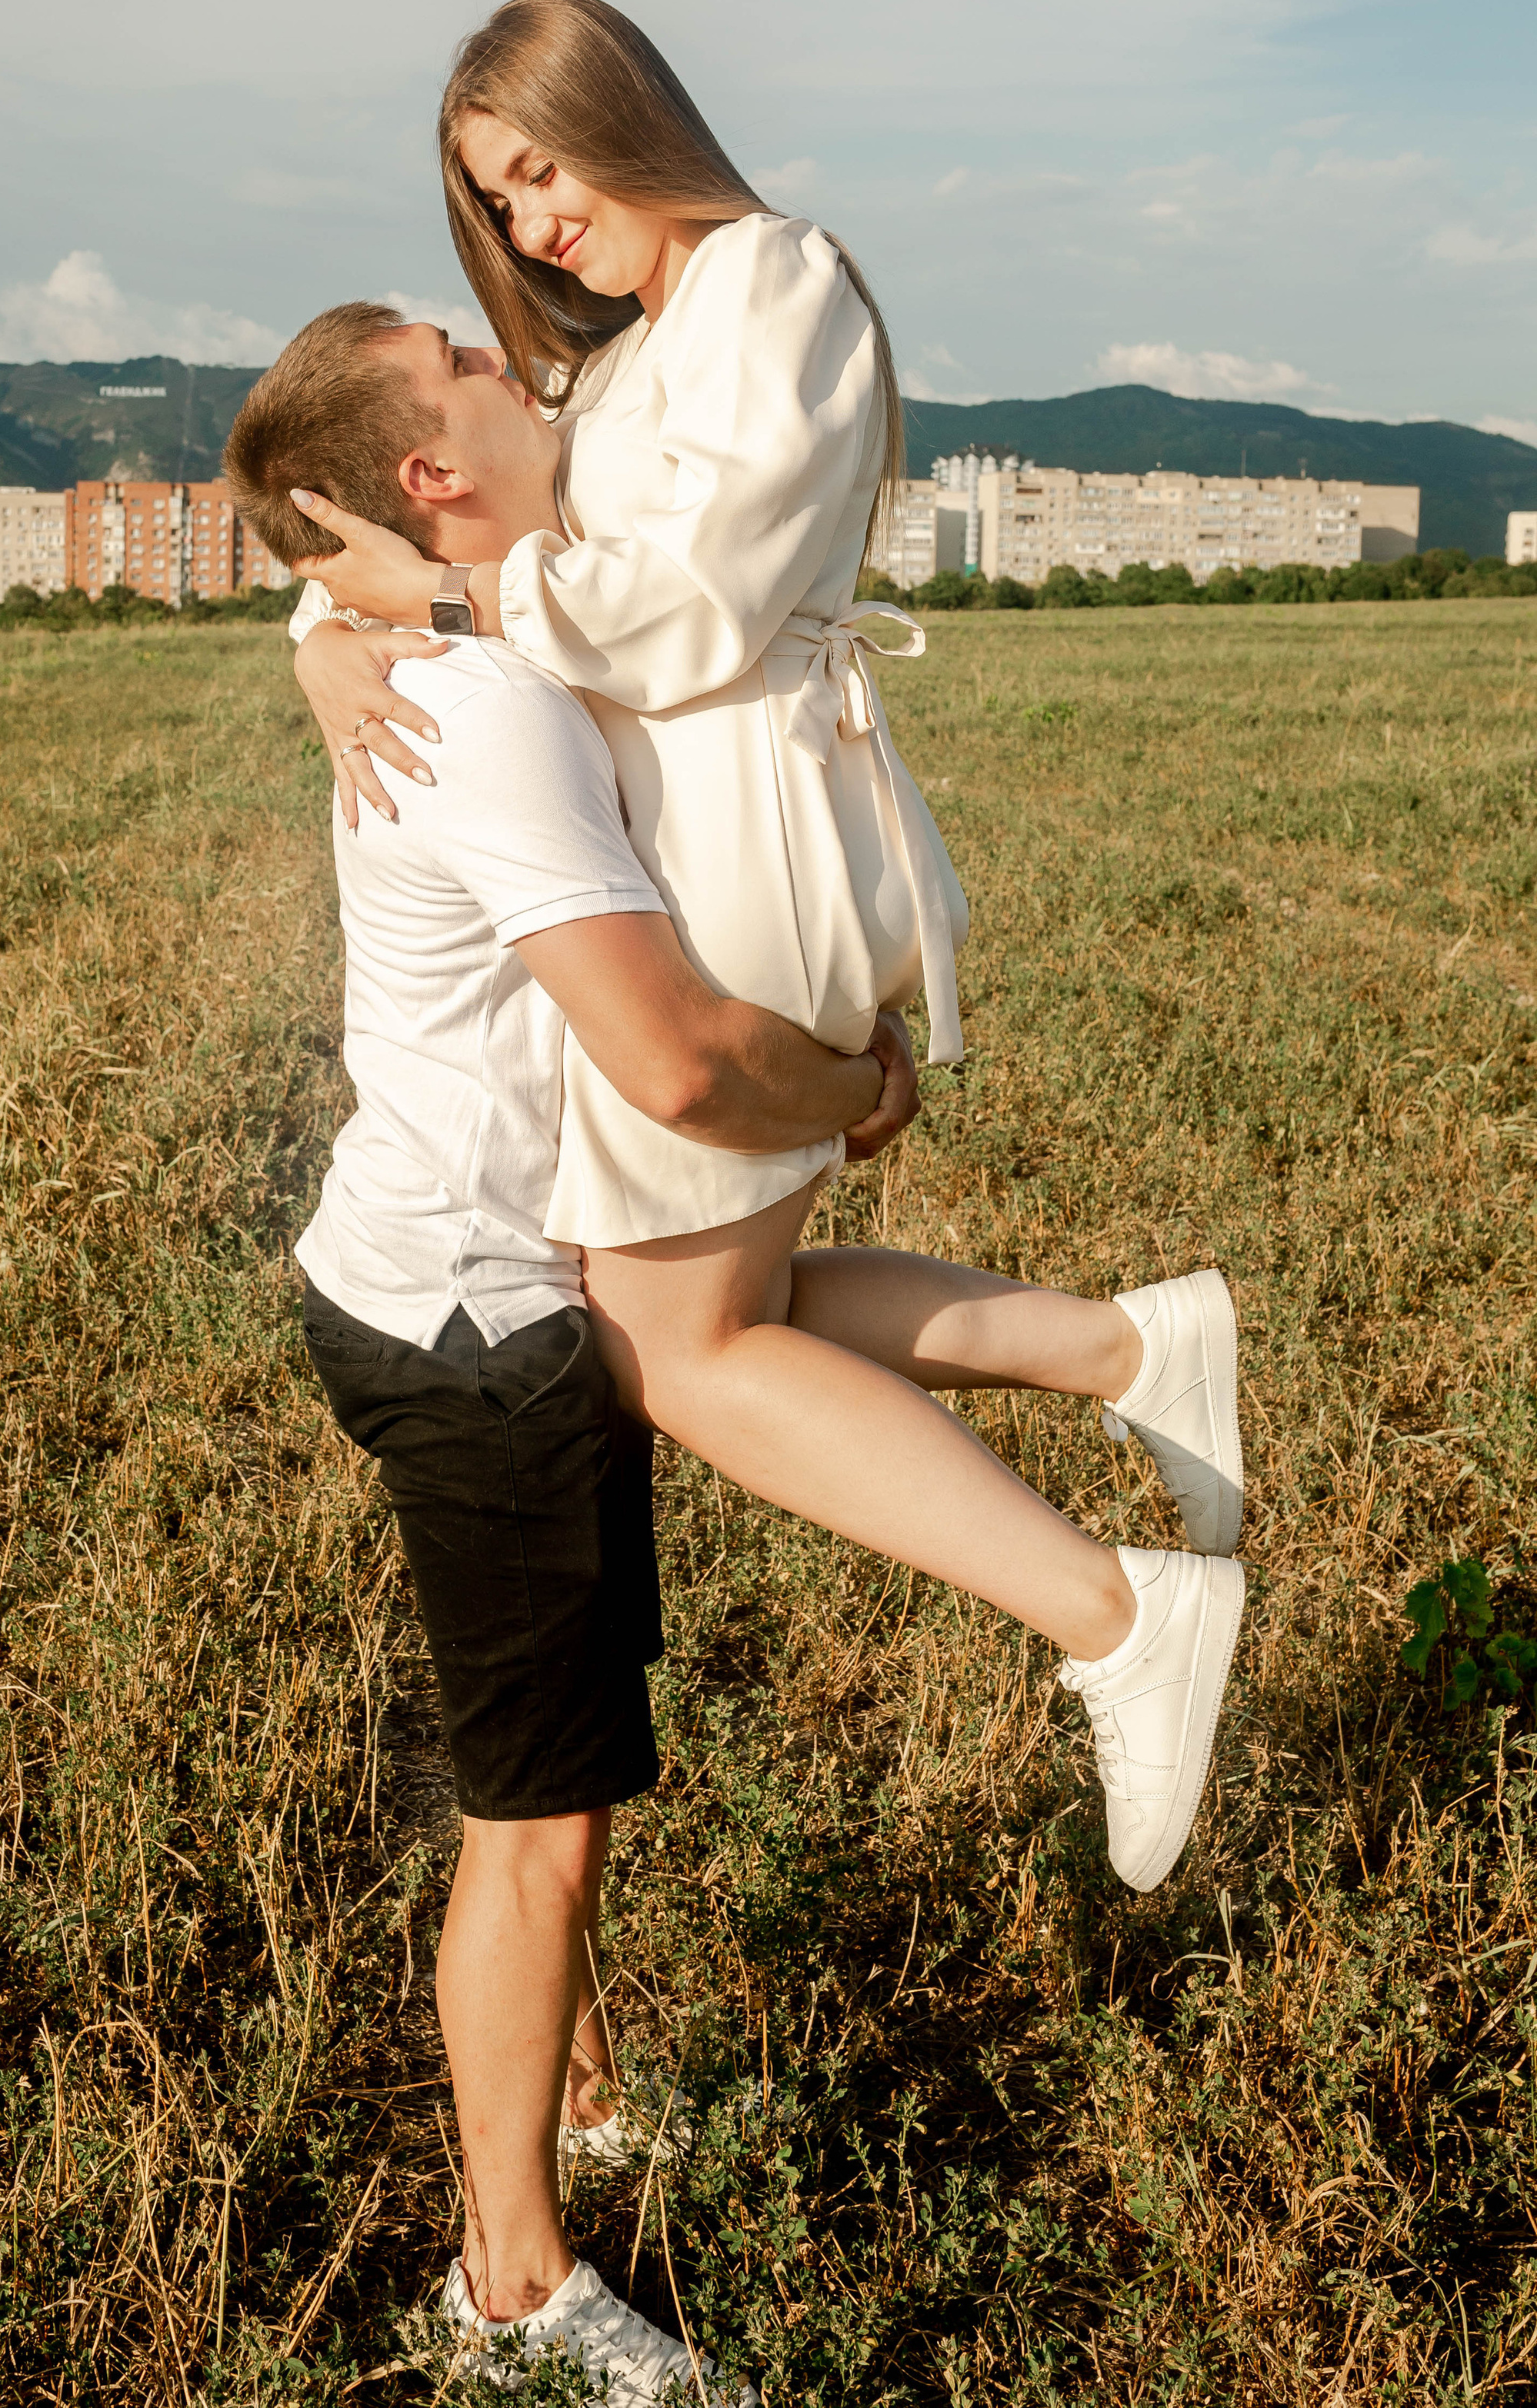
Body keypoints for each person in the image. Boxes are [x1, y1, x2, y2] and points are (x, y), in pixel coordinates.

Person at [225, 299, 1245, 2394]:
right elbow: (678, 1067)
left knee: (733, 1331)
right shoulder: (488, 705)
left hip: (462, 1276)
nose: (536, 376)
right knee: (540, 1825)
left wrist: (345, 611)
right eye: (491, 379)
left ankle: (1129, 1357)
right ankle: (510, 2285)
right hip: (483, 1325)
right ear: (432, 474)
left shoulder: (469, 616)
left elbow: (359, 567)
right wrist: (856, 1091)